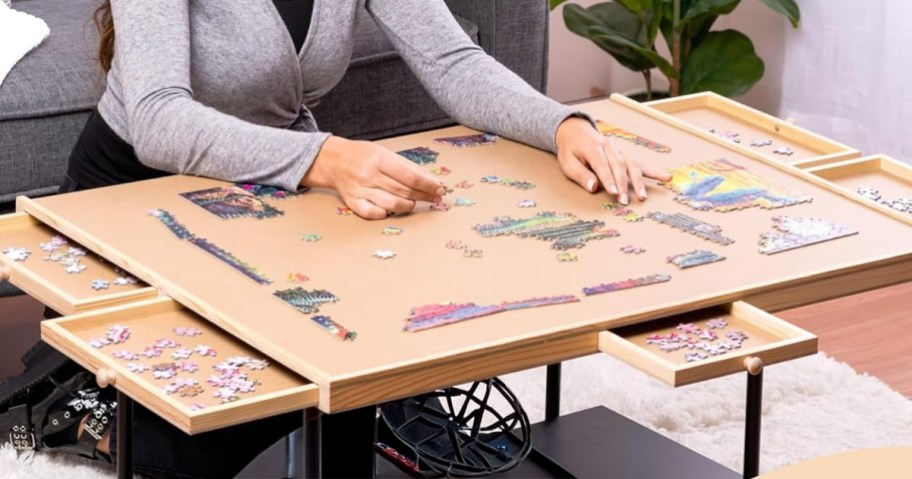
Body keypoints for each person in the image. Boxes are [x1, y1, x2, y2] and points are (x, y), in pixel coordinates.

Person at [0, 0, 671, 477]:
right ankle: (57, 402)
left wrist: (565, 127)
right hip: (130, 205)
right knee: (205, 423)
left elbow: (454, 60)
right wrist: (324, 160)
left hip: (264, 199)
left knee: (363, 372)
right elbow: (156, 118)